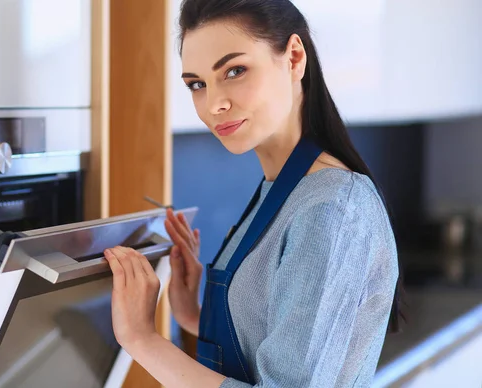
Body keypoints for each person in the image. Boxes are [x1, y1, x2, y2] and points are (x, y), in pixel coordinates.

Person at [102, 0, 402, 386]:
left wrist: (140, 338)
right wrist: (193, 311)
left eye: (235, 70)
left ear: (294, 58)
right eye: (197, 84)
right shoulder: (280, 189)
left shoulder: (330, 208)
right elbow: (265, 344)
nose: (214, 104)